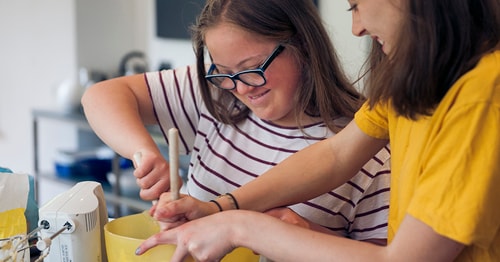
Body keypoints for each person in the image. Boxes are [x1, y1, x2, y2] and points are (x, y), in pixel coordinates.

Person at [135, 0, 500, 261]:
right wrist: (219, 208)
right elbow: (336, 155)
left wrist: (238, 228)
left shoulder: (482, 97)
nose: (356, 27)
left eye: (355, 5)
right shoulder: (420, 75)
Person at [81, 0, 391, 245]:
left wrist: (304, 234)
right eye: (224, 71)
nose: (241, 88)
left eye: (253, 67)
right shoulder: (217, 94)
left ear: (303, 44)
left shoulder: (369, 148)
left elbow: (385, 255)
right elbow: (99, 97)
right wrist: (144, 154)